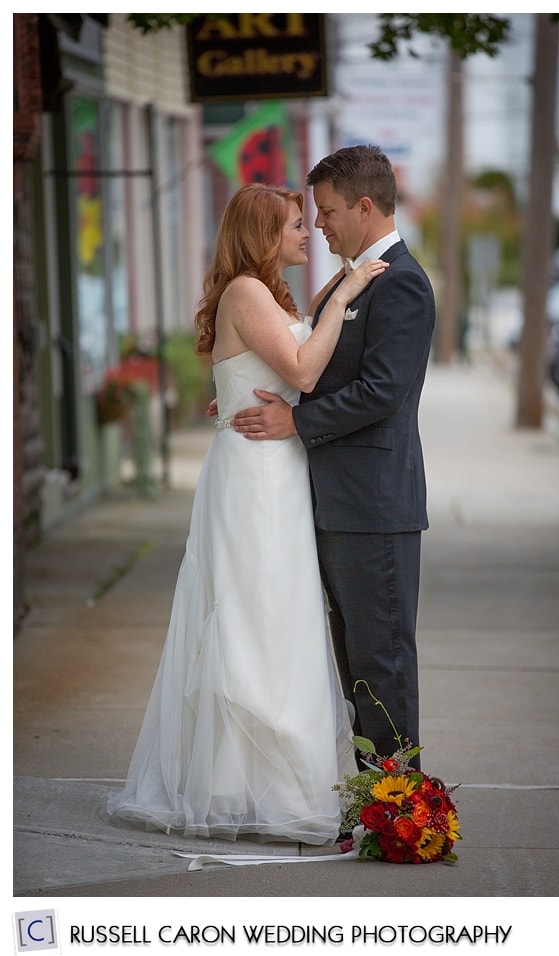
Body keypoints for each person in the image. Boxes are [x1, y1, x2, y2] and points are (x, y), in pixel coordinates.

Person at [106, 183, 386, 844]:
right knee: (254, 619)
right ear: (262, 234)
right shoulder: (247, 292)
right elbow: (303, 371)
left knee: (278, 617)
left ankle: (269, 782)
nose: (306, 231)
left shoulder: (265, 294)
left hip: (277, 470)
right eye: (294, 223)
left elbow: (265, 375)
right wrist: (344, 297)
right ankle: (251, 786)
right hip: (257, 479)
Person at [228, 145, 436, 771]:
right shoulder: (355, 280)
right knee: (356, 665)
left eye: (327, 211)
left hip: (375, 506)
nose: (319, 224)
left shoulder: (402, 284)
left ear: (365, 207)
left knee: (382, 661)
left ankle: (402, 808)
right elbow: (316, 367)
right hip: (337, 503)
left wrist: (296, 421)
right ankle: (375, 799)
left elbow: (381, 392)